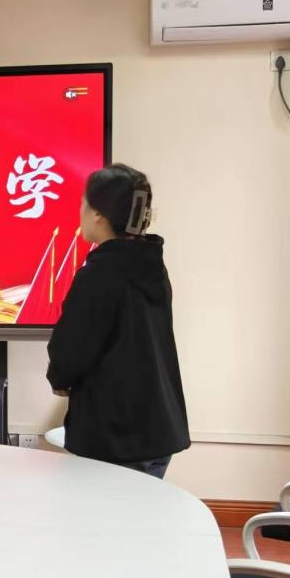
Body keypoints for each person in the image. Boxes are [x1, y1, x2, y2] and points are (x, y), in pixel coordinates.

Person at [47, 164, 190, 479]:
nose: (81, 211)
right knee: (141, 510)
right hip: (158, 432)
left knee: (102, 511)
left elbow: (71, 348)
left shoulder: (100, 274)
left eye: (84, 202)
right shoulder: (152, 265)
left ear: (99, 214)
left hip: (116, 437)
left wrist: (59, 378)